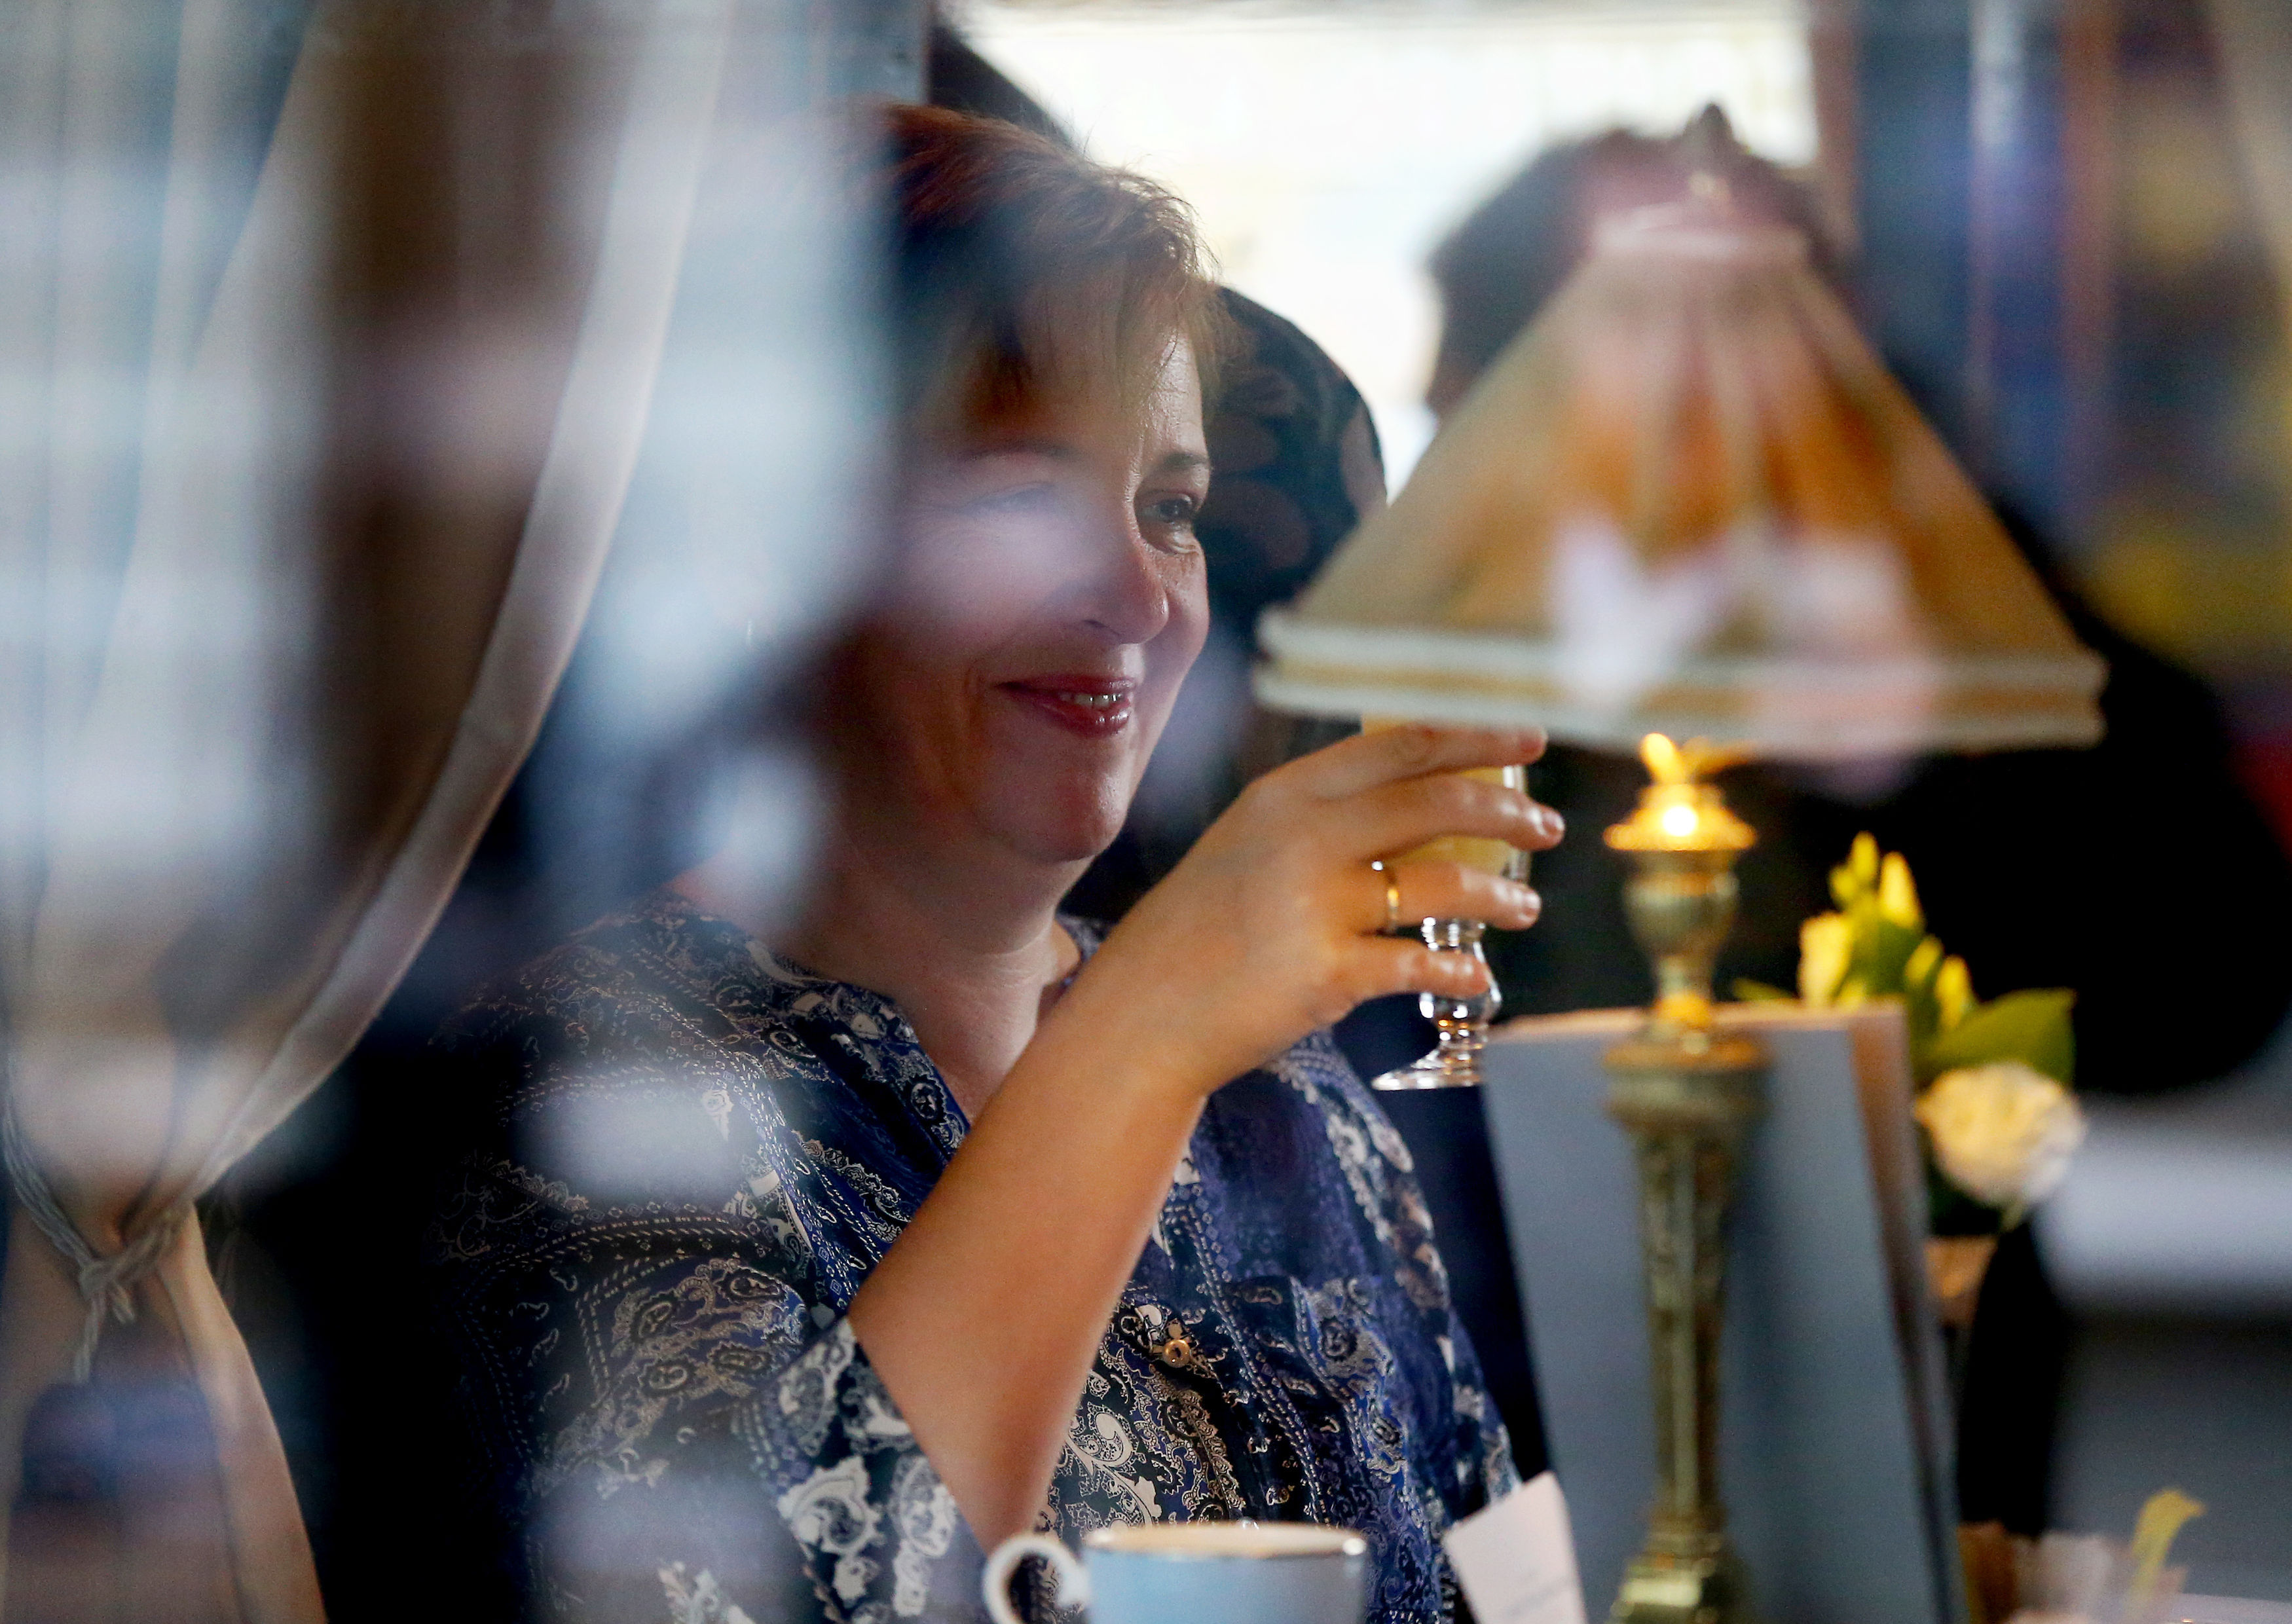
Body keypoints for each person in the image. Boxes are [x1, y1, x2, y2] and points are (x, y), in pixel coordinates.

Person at [426, 106, 1561, 1623]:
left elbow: (1513, 1585)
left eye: (1169, 508)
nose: (1137, 597)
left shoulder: (1286, 1104)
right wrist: (1143, 1033)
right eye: (1020, 492)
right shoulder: (593, 1095)